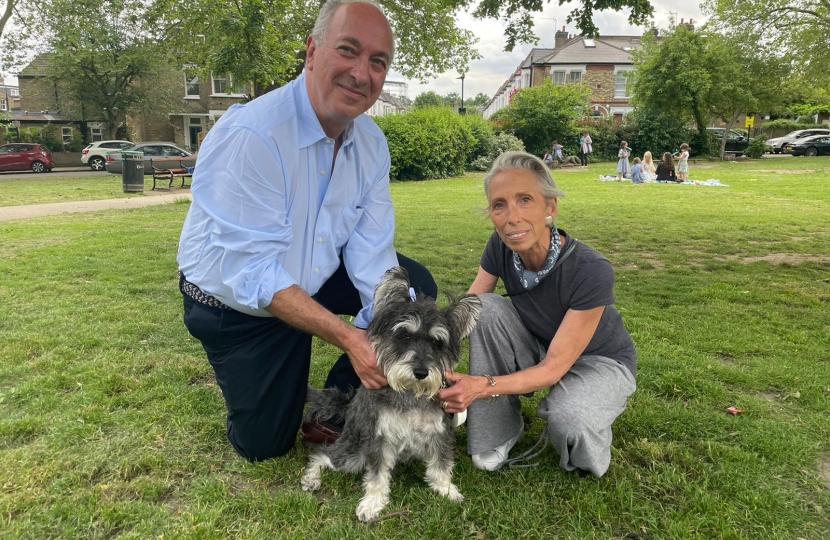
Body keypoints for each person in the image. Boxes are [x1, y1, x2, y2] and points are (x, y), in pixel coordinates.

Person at [176, 0, 437, 462]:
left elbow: (372, 251)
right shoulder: (254, 135)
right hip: (236, 306)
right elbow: (254, 273)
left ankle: (337, 406)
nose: (362, 73)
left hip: (308, 278)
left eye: (378, 62)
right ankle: (275, 371)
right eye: (348, 51)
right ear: (312, 50)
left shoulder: (371, 143)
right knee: (265, 445)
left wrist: (395, 341)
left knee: (410, 286)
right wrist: (351, 337)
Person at [437, 151, 636, 477]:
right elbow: (469, 307)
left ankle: (589, 414)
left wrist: (478, 385)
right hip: (539, 342)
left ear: (550, 207)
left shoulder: (591, 268)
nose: (511, 216)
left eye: (525, 199)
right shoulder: (500, 246)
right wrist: (429, 354)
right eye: (499, 204)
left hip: (599, 359)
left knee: (570, 420)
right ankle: (499, 430)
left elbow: (555, 367)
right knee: (482, 309)